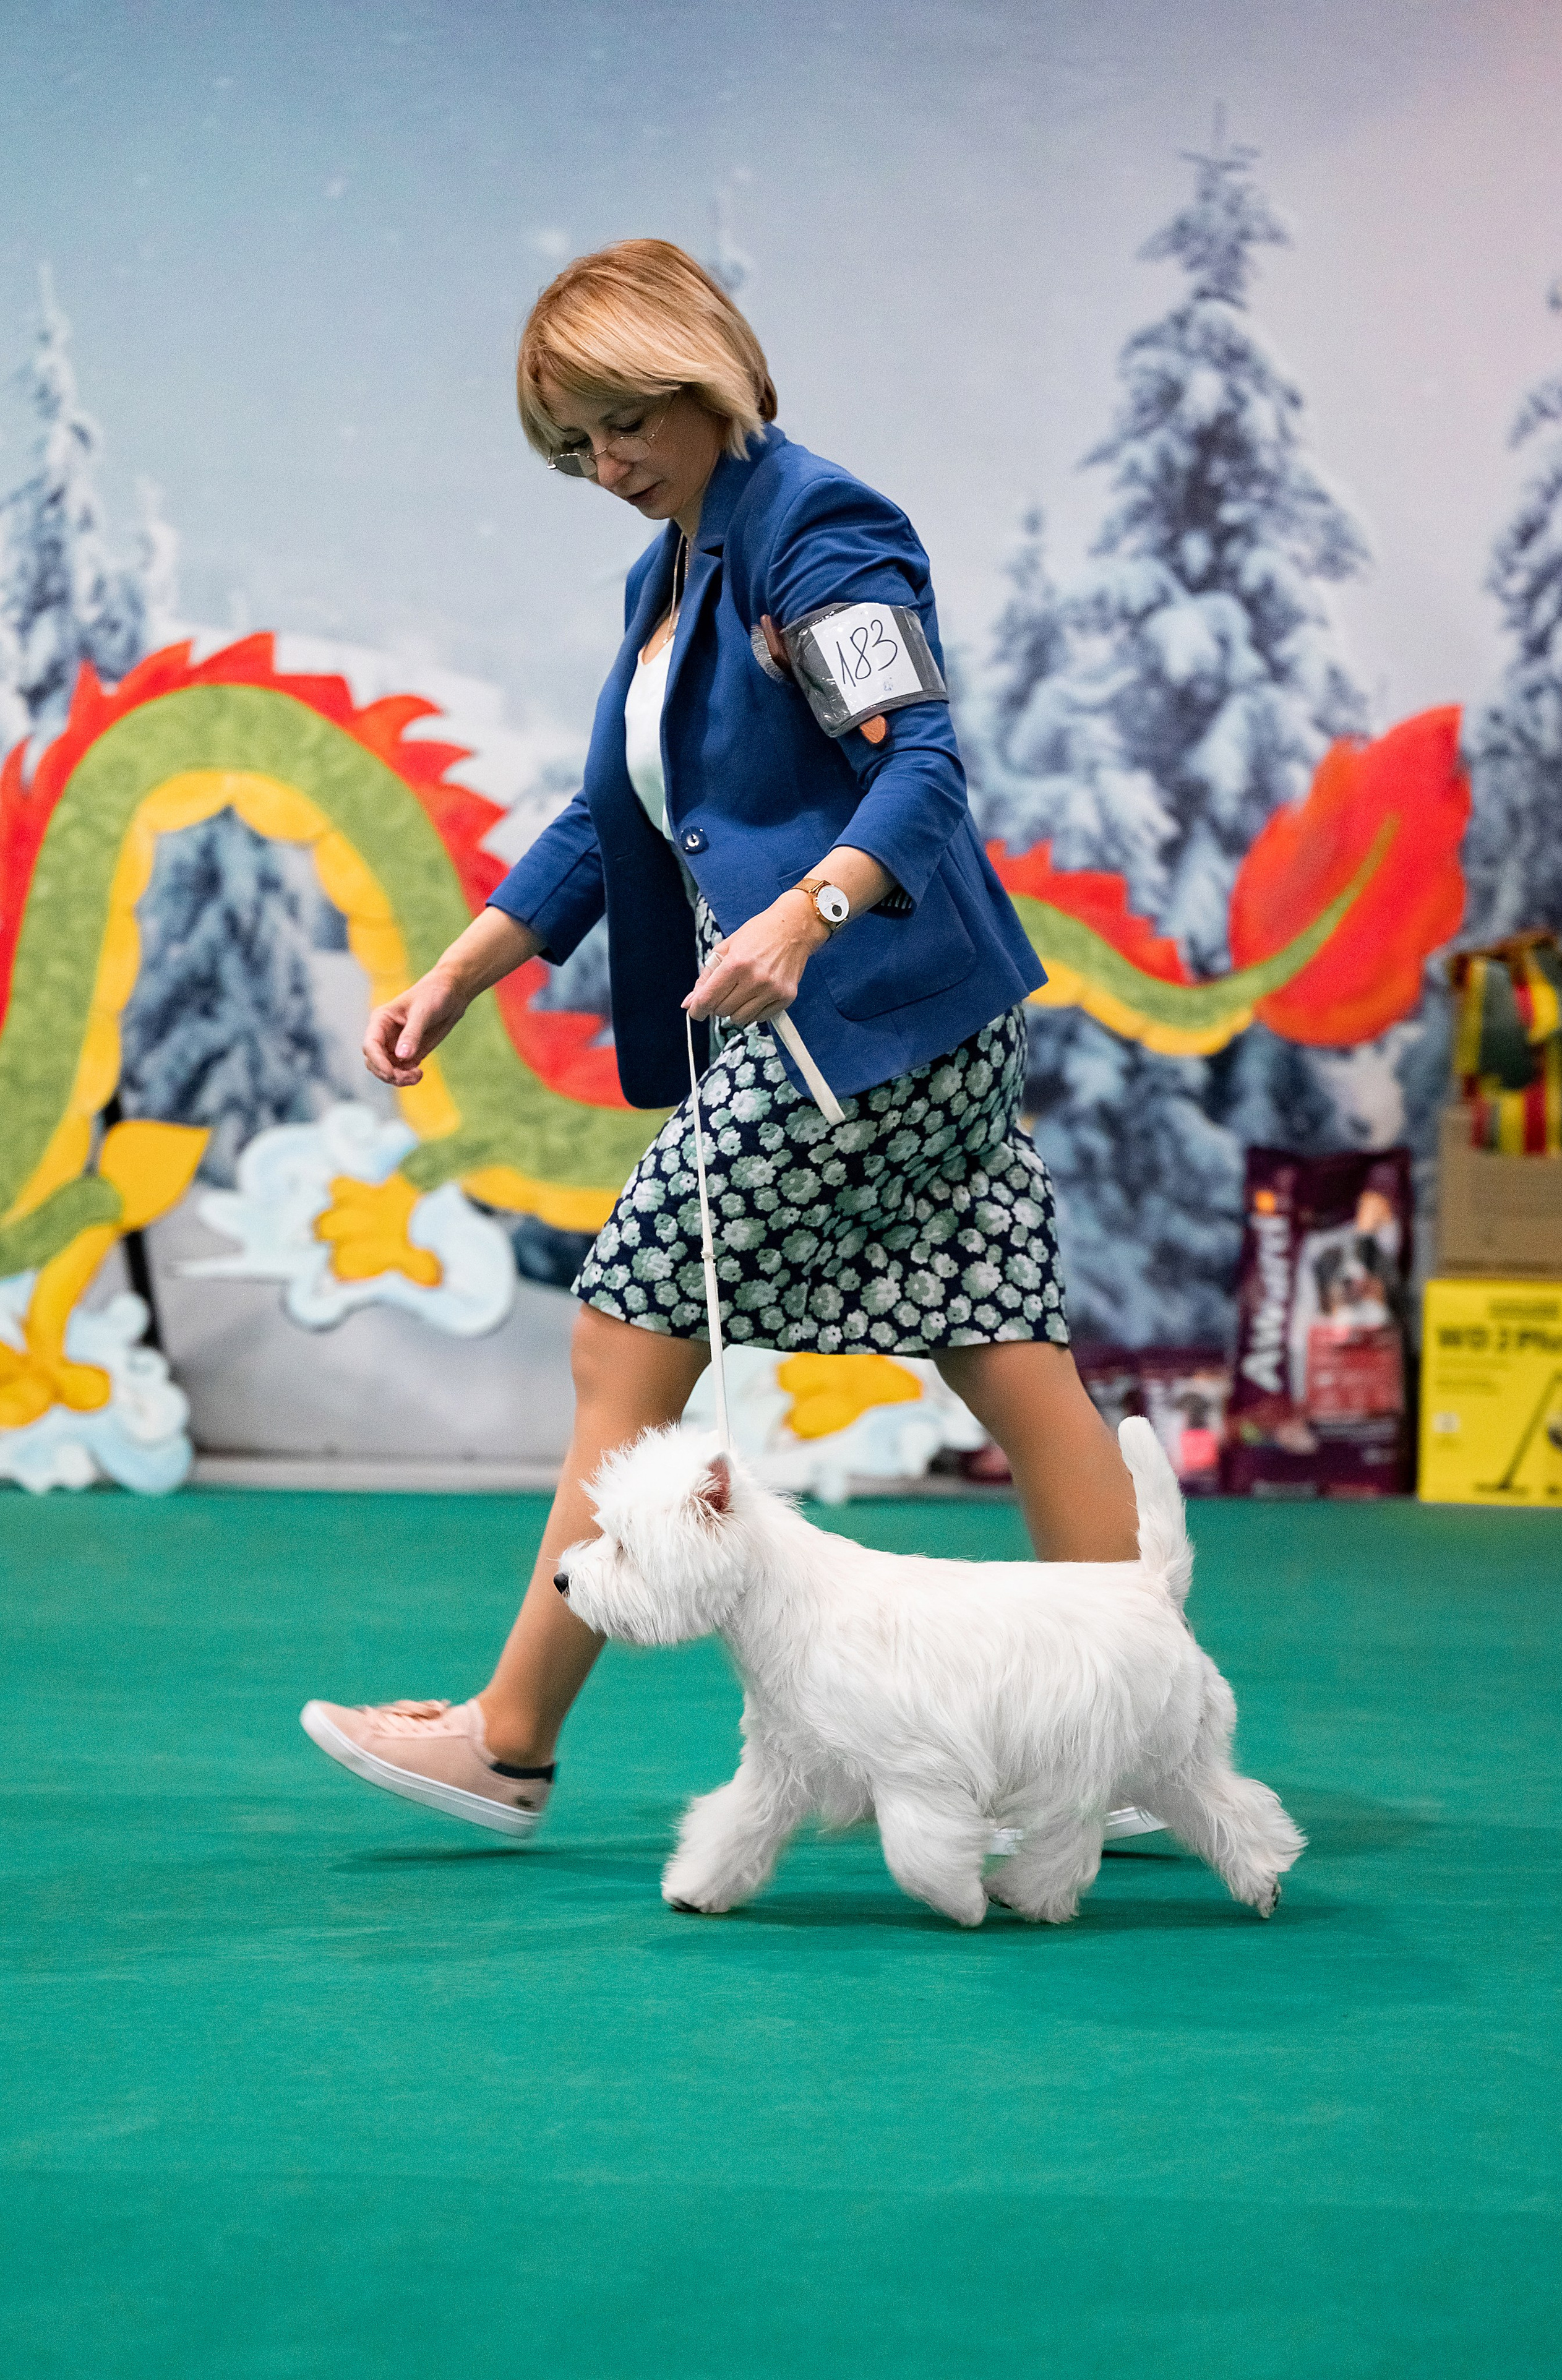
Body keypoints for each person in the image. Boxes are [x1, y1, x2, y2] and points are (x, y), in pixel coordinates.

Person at [299, 240, 1154, 1845]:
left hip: (851, 1029)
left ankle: (507, 1742)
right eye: (575, 446)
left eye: (626, 422)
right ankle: (1128, 1736)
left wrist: (806, 915)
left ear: (708, 379)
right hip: (908, 1024)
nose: (607, 466)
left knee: (625, 1335)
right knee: (1009, 1354)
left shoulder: (819, 532)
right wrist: (463, 974)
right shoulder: (674, 565)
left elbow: (922, 769)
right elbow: (609, 819)